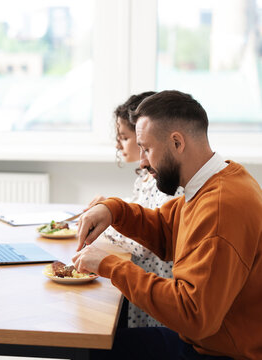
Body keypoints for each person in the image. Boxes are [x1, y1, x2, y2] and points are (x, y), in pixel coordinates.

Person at [72, 90, 262, 359]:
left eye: (147, 149)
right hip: (207, 340)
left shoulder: (221, 207)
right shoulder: (212, 183)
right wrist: (113, 210)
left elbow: (194, 315)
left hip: (219, 352)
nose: (143, 161)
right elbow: (165, 228)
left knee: (89, 351)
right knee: (91, 344)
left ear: (176, 142)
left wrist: (110, 266)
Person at [85, 91, 183, 328]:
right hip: (146, 284)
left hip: (157, 290)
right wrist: (110, 208)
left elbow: (146, 241)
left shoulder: (168, 182)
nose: (119, 145)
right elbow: (142, 208)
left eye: (126, 138)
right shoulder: (148, 176)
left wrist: (107, 224)